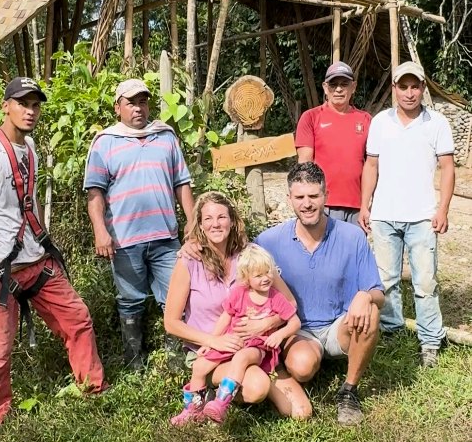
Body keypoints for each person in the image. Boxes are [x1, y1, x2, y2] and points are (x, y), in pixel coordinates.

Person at [0, 76, 106, 429]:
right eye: (22, 104)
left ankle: (94, 392)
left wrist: (43, 240)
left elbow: (28, 200)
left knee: (78, 319)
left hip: (37, 261)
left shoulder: (31, 146)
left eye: (35, 105)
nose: (30, 111)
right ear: (5, 106)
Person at [164, 192, 312, 424]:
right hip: (210, 351)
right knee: (257, 386)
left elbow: (289, 303)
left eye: (221, 217)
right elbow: (171, 323)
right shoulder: (189, 261)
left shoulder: (251, 256)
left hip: (254, 346)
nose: (215, 224)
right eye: (208, 219)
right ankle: (213, 400)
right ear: (200, 225)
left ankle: (246, 380)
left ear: (232, 220)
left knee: (301, 412)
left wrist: (267, 323)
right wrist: (213, 341)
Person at [256, 162, 384, 426]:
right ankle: (301, 363)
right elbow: (238, 267)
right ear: (290, 198)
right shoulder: (268, 241)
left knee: (371, 310)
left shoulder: (352, 237)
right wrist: (196, 246)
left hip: (340, 325)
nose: (307, 204)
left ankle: (349, 391)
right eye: (300, 197)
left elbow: (379, 293)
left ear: (326, 195)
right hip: (298, 329)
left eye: (314, 196)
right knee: (302, 367)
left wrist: (366, 296)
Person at [84, 78, 195, 370]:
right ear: (117, 107)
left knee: (176, 298)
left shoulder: (165, 137)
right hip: (124, 240)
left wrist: (192, 222)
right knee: (131, 300)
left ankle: (175, 364)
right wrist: (100, 231)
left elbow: (182, 183)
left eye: (142, 102)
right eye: (131, 103)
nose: (138, 108)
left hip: (165, 237)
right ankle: (135, 365)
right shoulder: (105, 143)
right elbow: (95, 194)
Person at [359, 61, 455, 368]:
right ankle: (392, 331)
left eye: (415, 87)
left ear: (423, 88)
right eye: (404, 87)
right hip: (384, 214)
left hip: (422, 216)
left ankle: (430, 341)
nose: (409, 93)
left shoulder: (436, 122)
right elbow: (371, 165)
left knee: (425, 282)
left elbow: (448, 168)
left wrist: (443, 208)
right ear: (394, 89)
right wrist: (365, 204)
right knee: (386, 280)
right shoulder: (380, 122)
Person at [170, 244, 301, 426]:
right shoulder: (239, 293)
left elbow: (295, 322)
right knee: (199, 366)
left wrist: (279, 334)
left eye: (268, 272)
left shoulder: (275, 297)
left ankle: (221, 403)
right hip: (233, 341)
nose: (265, 278)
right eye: (258, 275)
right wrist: (210, 342)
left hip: (257, 346)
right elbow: (225, 318)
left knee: (242, 357)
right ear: (246, 278)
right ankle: (193, 410)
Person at [295, 61, 371, 224]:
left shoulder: (365, 120)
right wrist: (308, 202)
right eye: (333, 84)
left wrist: (367, 204)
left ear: (353, 87)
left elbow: (372, 165)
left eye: (344, 84)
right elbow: (305, 163)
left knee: (354, 242)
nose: (338, 89)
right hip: (323, 203)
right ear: (325, 87)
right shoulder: (311, 117)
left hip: (357, 206)